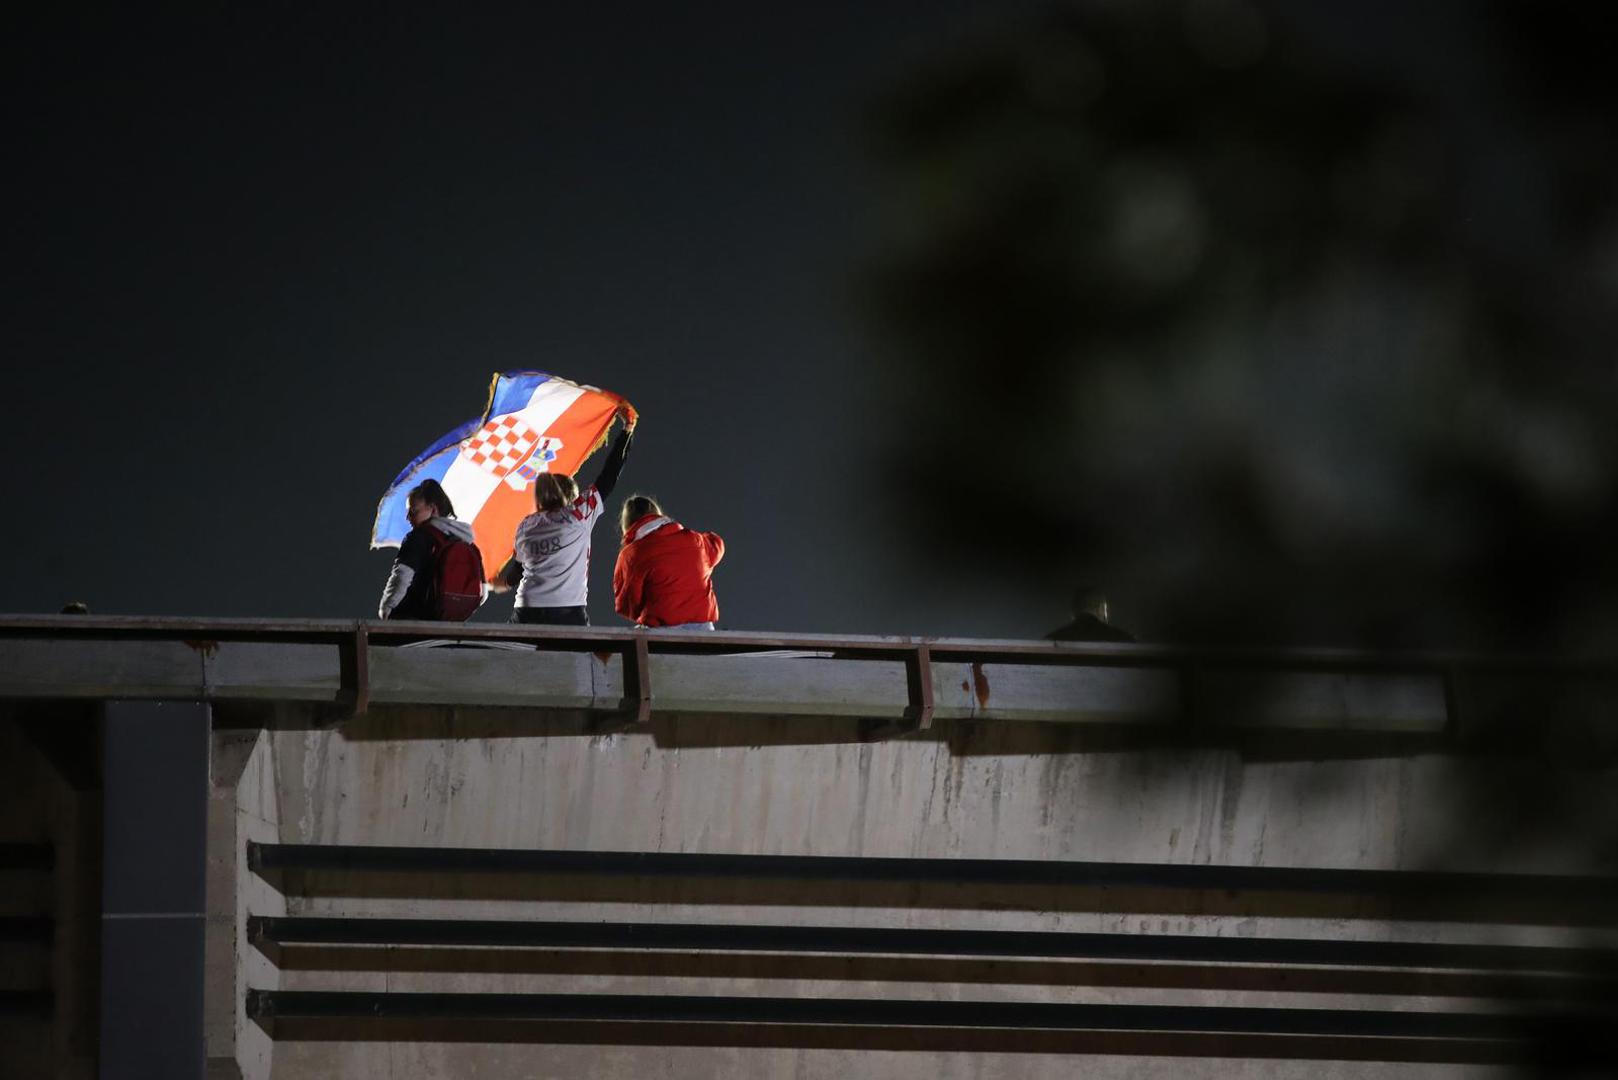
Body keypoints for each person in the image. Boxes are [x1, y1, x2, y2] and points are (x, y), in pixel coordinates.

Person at [490, 410, 634, 625]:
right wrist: (627, 431)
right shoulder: (578, 515)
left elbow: (517, 571)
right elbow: (608, 476)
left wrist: (501, 583)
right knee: (582, 657)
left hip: (526, 609)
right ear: (571, 497)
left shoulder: (526, 524)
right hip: (567, 611)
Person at [377, 479, 486, 620]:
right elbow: (482, 592)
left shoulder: (419, 537)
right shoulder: (467, 542)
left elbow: (401, 577)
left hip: (415, 619)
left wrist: (386, 609)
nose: (408, 517)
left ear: (433, 509)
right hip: (451, 624)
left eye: (413, 511)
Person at [613, 495, 725, 630]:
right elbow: (716, 544)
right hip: (704, 629)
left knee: (630, 640)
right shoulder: (695, 540)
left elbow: (627, 603)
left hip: (663, 631)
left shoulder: (631, 554)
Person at [1045, 585, 1136, 643]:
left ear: (1073, 612)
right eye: (1105, 610)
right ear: (1101, 609)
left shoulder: (1051, 639)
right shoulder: (1124, 639)